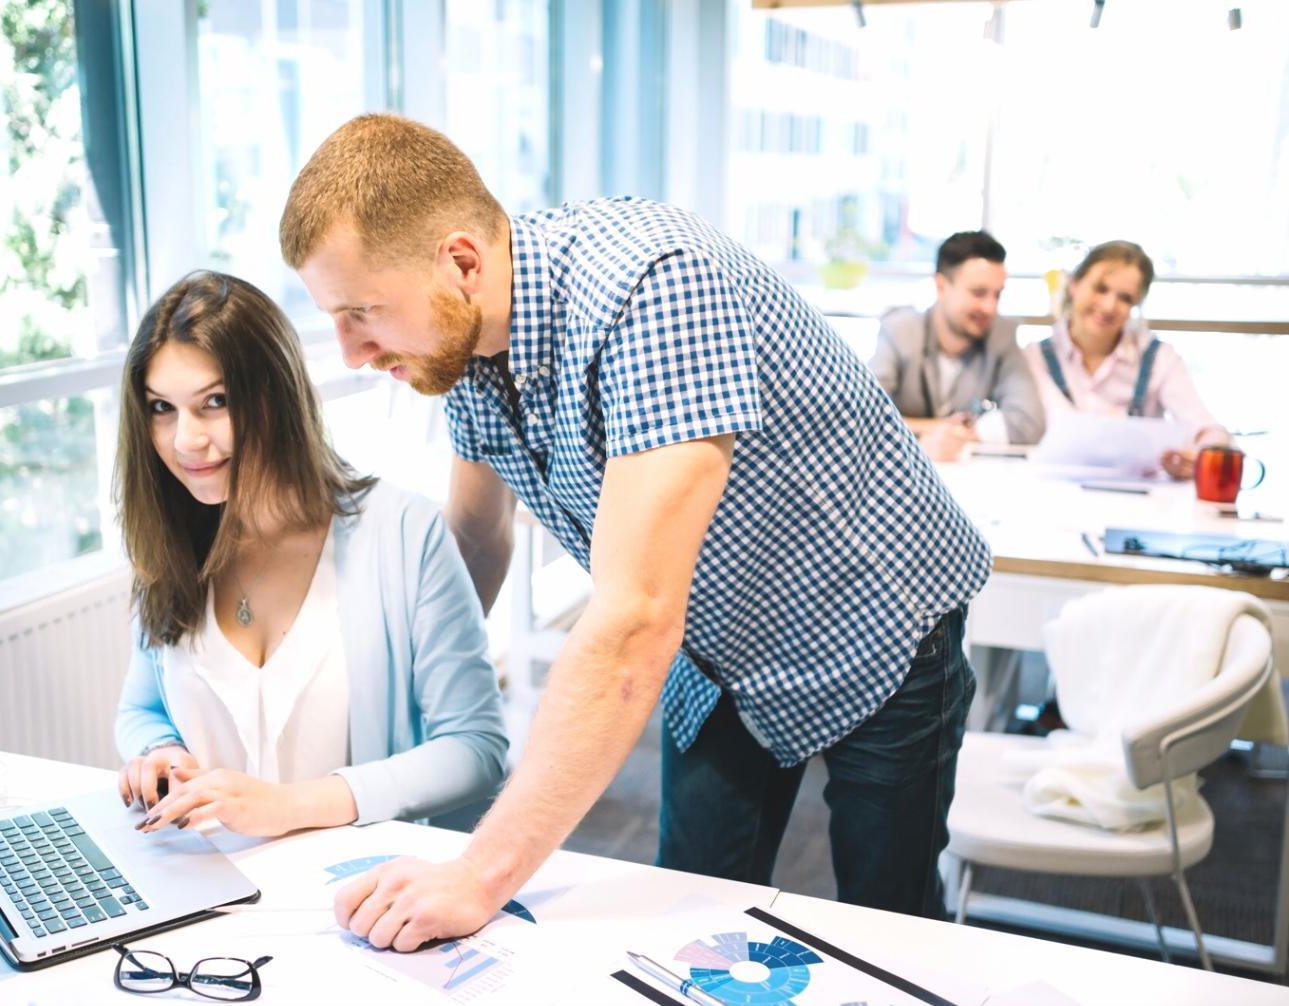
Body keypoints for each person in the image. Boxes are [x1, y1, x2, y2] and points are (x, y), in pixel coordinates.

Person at [280, 114, 991, 950]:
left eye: (363, 312)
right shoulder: (458, 341)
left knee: (888, 924)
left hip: (871, 615)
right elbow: (475, 540)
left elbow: (633, 618)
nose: (353, 351)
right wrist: (388, 705)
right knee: (687, 911)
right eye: (334, 317)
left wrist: (477, 875)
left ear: (462, 262)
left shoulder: (651, 287)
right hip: (719, 643)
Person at [111, 271, 507, 838]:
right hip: (200, 882)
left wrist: (290, 806)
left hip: (352, 892)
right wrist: (158, 752)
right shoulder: (171, 537)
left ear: (275, 396)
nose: (185, 441)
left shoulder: (403, 533)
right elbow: (141, 710)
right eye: (161, 409)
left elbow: (475, 749)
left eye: (214, 402)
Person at [1025, 240, 1229, 479]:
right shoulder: (1035, 358)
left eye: (1125, 298)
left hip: (1141, 502)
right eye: (1100, 289)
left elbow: (1208, 429)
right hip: (1057, 492)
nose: (1109, 305)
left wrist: (1199, 457)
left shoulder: (1159, 358)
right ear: (1074, 285)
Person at [871, 231, 1045, 461]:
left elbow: (1029, 422)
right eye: (978, 293)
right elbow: (865, 416)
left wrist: (956, 435)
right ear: (941, 286)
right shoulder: (900, 331)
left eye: (997, 295)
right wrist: (940, 429)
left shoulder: (1002, 336)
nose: (990, 308)